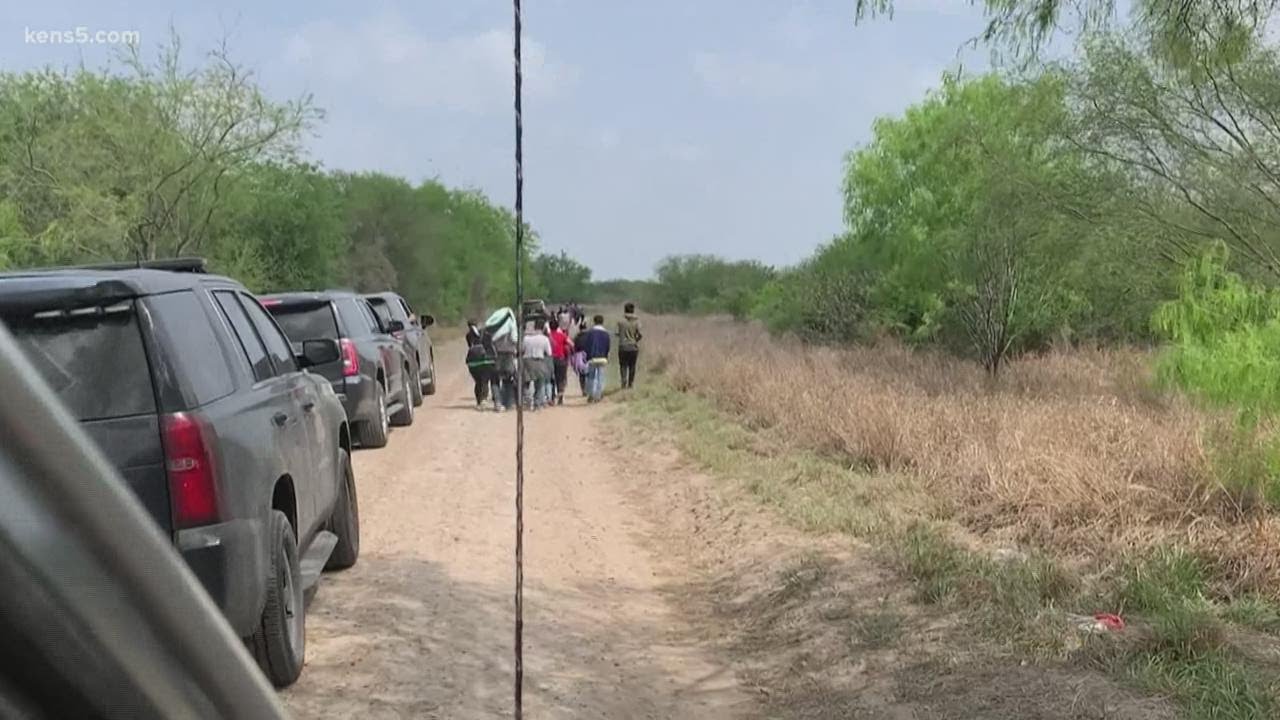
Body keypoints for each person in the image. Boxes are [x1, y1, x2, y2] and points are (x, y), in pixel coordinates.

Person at [485, 307, 519, 411]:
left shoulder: (494, 331)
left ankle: (498, 403)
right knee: (508, 380)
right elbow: (515, 340)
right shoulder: (511, 328)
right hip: (508, 356)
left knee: (495, 380)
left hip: (496, 356)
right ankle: (509, 403)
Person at [521, 319, 553, 410]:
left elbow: (522, 350)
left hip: (527, 361)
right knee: (540, 383)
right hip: (539, 361)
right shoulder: (545, 339)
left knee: (526, 383)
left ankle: (527, 402)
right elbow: (549, 353)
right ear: (543, 328)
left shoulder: (526, 338)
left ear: (534, 327)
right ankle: (537, 404)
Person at [465, 328, 499, 411]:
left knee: (479, 382)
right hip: (487, 362)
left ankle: (480, 402)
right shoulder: (489, 338)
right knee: (487, 381)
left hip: (472, 363)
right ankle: (490, 401)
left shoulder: (469, 336)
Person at [580, 314, 611, 402]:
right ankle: (599, 395)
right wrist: (607, 356)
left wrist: (586, 356)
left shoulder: (590, 333)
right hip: (603, 358)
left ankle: (591, 395)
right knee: (601, 377)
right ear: (602, 322)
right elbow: (608, 346)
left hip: (592, 358)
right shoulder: (606, 334)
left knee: (591, 377)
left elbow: (587, 346)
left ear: (594, 321)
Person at [616, 302, 642, 389]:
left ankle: (623, 383)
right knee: (632, 366)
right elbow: (640, 335)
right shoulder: (637, 322)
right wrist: (635, 340)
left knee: (623, 366)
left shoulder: (620, 322)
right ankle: (630, 384)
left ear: (625, 310)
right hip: (633, 347)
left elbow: (618, 333)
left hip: (623, 347)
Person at [548, 318, 572, 406]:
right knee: (561, 379)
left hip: (549, 360)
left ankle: (552, 397)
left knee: (551, 379)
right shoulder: (562, 335)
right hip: (561, 360)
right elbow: (571, 344)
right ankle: (560, 396)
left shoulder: (547, 336)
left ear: (549, 327)